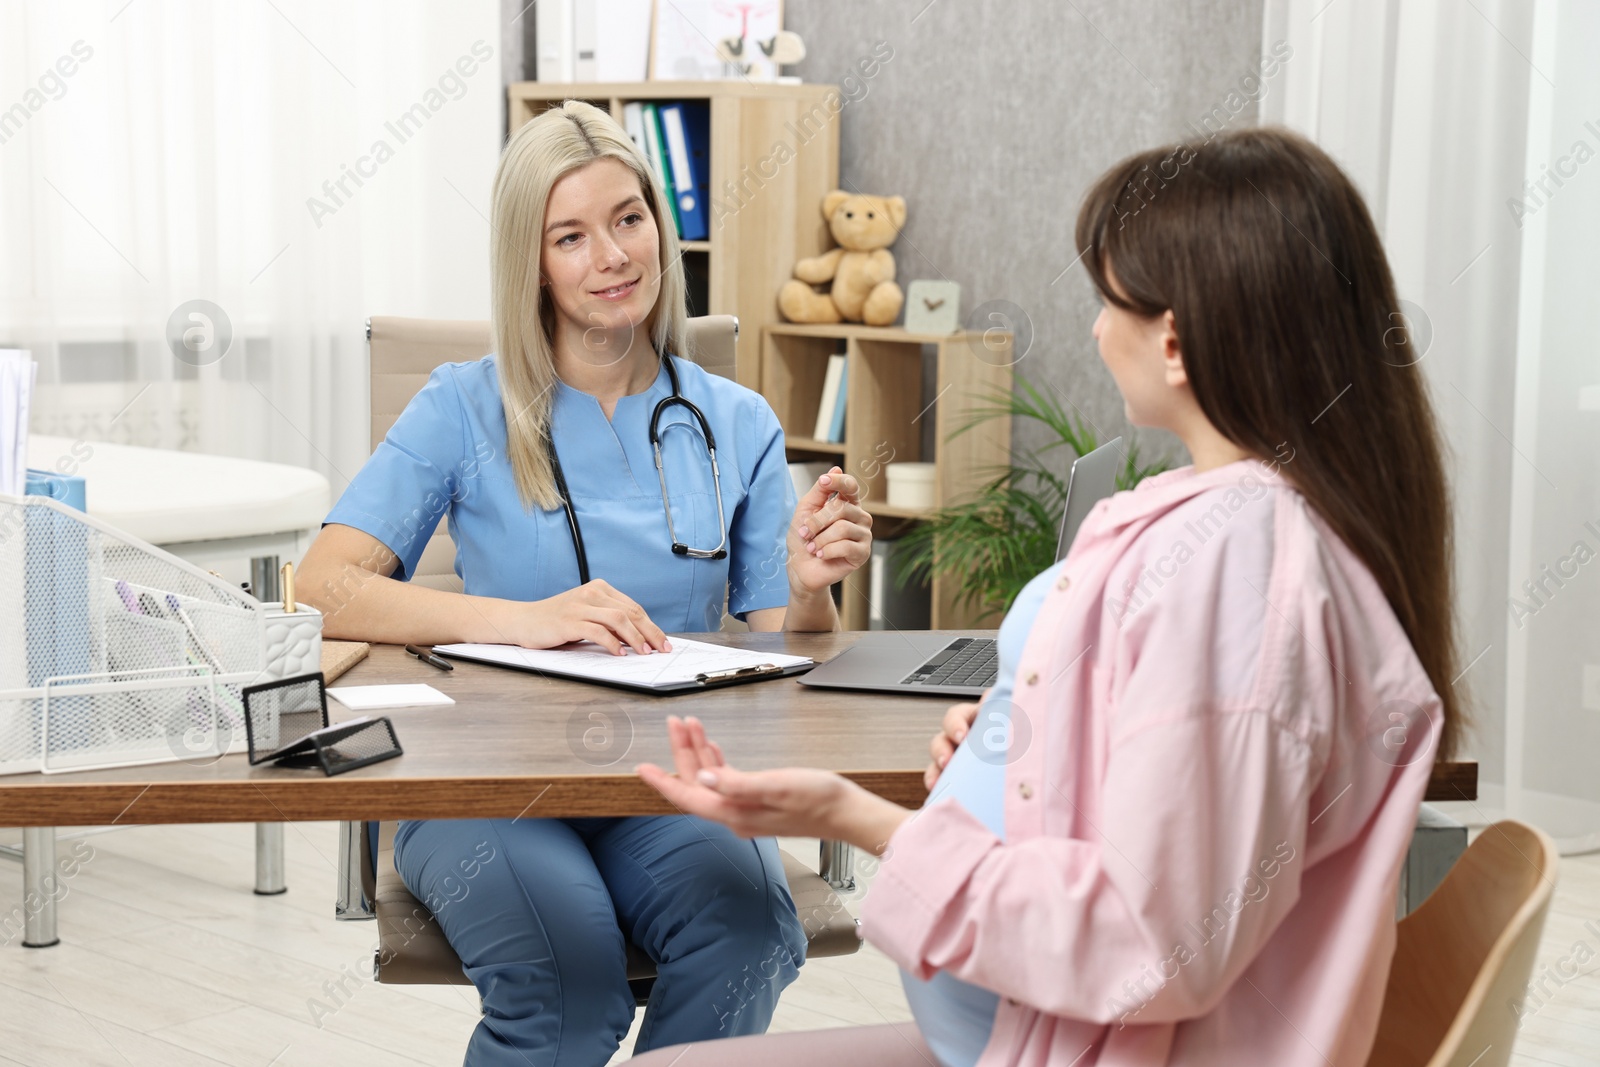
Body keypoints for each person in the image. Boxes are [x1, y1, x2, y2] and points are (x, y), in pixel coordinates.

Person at [631, 125, 1465, 1067]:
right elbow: (1179, 803)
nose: (1096, 329)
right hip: (1028, 1032)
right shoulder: (1251, 532)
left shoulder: (1238, 567)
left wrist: (848, 814)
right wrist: (1021, 760)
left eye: (1108, 300)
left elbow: (1154, 947)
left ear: (1179, 340)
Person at [297, 100, 873, 1066]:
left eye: (629, 219)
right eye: (572, 234)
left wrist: (812, 586)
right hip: (488, 786)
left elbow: (790, 640)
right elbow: (319, 586)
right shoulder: (462, 406)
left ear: (660, 226)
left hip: (668, 779)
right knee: (566, 981)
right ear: (532, 261)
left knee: (750, 937)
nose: (612, 255)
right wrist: (523, 621)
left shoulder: (736, 420)